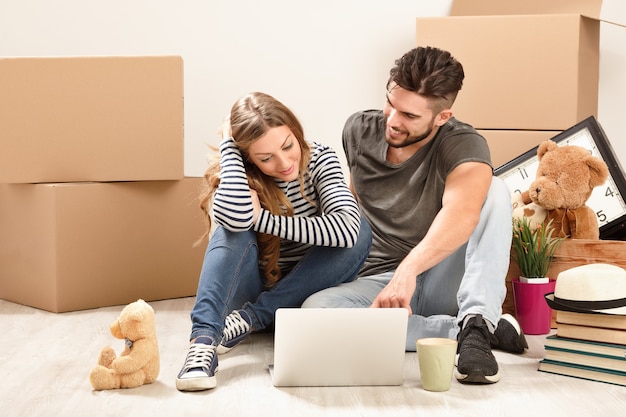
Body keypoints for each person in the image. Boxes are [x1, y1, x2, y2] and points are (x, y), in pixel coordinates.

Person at [302, 46, 527, 384]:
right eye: (391, 104)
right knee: (314, 314)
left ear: (442, 117)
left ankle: (478, 322)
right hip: (378, 282)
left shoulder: (463, 144)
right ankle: (464, 331)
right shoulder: (358, 130)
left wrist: (408, 270)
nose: (393, 121)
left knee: (494, 190)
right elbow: (353, 207)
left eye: (409, 116)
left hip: (441, 276)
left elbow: (463, 215)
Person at [176, 92, 372, 392]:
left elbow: (345, 230)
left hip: (303, 291)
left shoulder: (320, 159)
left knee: (358, 229)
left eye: (288, 146)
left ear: (296, 132)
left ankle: (254, 317)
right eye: (266, 158)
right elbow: (239, 220)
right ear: (248, 157)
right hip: (251, 289)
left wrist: (264, 220)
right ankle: (203, 341)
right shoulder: (238, 171)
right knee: (230, 228)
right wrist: (230, 148)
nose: (283, 163)